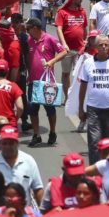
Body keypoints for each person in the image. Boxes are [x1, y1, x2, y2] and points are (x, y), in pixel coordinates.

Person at [78, 35, 109, 164]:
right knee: (94, 142)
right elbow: (82, 87)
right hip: (93, 109)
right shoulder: (88, 63)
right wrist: (80, 109)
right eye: (101, 45)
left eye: (106, 44)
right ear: (95, 47)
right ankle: (95, 171)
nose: (104, 47)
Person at [25, 17, 66, 147]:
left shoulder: (49, 39)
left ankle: (52, 132)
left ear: (35, 28)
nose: (27, 31)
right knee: (32, 109)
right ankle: (36, 135)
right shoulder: (29, 40)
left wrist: (52, 61)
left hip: (47, 82)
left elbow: (64, 51)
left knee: (50, 109)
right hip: (33, 81)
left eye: (28, 29)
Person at [0, 126, 44, 206]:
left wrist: (43, 213)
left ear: (17, 143)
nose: (8, 147)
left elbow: (38, 188)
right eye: (4, 143)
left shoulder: (29, 161)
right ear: (0, 144)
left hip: (23, 213)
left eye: (11, 143)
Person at [56, 0, 88, 97]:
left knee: (79, 75)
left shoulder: (82, 12)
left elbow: (84, 28)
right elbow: (59, 29)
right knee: (66, 73)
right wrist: (64, 44)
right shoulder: (62, 13)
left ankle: (77, 97)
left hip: (80, 49)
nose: (81, 0)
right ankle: (67, 97)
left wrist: (85, 41)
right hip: (67, 50)